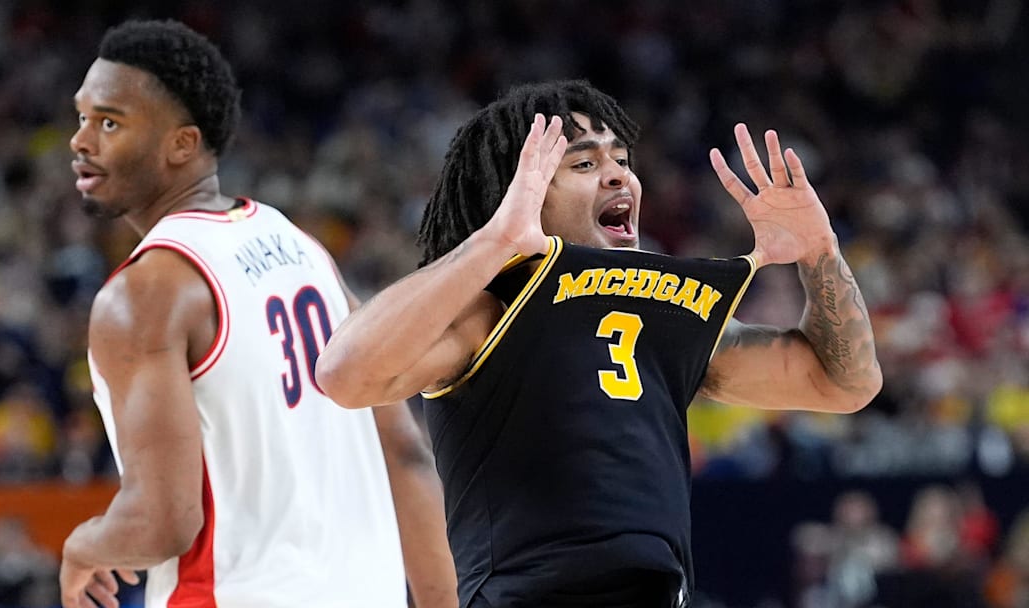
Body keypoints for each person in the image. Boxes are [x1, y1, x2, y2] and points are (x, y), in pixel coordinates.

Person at [316, 80, 883, 607]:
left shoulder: (665, 316)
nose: (618, 176)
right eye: (585, 163)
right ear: (520, 191)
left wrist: (819, 253)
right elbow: (345, 373)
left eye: (621, 159)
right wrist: (495, 240)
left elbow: (843, 382)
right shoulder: (485, 311)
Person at [59, 19, 456, 608]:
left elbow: (163, 521)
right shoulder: (300, 246)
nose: (80, 140)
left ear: (182, 145)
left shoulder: (145, 293)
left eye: (109, 122)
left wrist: (83, 546)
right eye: (82, 117)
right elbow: (406, 453)